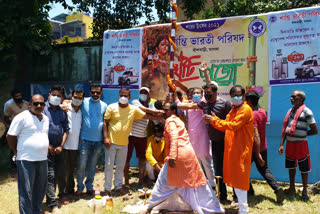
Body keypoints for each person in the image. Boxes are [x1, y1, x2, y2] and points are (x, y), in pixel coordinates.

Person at [144, 101, 224, 214]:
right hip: (188, 155)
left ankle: (150, 207)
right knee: (191, 183)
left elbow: (174, 137)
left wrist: (172, 156)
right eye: (164, 109)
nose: (164, 111)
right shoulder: (178, 120)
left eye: (166, 110)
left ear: (173, 111)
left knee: (164, 182)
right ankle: (211, 207)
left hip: (177, 155)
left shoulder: (170, 121)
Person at [203, 85, 254, 214]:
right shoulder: (233, 110)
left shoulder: (245, 109)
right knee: (236, 179)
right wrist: (215, 120)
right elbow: (225, 124)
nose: (236, 98)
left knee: (240, 179)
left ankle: (243, 209)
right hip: (232, 150)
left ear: (243, 96)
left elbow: (233, 125)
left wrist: (214, 120)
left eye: (238, 95)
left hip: (241, 150)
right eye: (233, 96)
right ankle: (241, 207)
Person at [103, 88, 162, 196]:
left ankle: (118, 186)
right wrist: (106, 138)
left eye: (125, 96)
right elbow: (105, 122)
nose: (123, 97)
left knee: (120, 166)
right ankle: (107, 189)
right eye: (121, 95)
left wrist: (163, 118)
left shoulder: (133, 109)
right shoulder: (112, 107)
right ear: (118, 96)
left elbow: (147, 116)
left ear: (129, 97)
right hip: (113, 142)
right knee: (109, 166)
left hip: (125, 142)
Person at [6, 94, 49, 214]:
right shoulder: (22, 117)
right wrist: (16, 151)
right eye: (36, 103)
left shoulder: (45, 118)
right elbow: (10, 136)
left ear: (44, 105)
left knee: (40, 190)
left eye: (41, 103)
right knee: (26, 192)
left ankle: (36, 211)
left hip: (42, 159)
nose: (39, 105)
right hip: (26, 160)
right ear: (30, 105)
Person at [245, 90, 285, 203]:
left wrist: (257, 154)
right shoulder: (262, 112)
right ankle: (277, 188)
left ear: (249, 101)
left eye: (245, 100)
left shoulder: (251, 115)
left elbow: (255, 135)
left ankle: (249, 190)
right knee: (264, 169)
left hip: (253, 148)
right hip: (263, 146)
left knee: (243, 169)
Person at [279, 90, 318, 201]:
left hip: (301, 145)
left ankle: (305, 191)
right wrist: (282, 144)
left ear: (301, 99)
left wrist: (301, 134)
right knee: (291, 167)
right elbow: (286, 130)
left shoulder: (307, 112)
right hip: (290, 145)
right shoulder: (290, 111)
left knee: (303, 169)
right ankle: (292, 188)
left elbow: (315, 130)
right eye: (291, 97)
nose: (291, 99)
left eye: (294, 97)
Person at [177, 87, 216, 188]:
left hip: (203, 138)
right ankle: (198, 186)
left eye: (198, 93)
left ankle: (212, 186)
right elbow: (181, 107)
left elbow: (209, 84)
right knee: (195, 163)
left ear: (202, 95)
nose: (196, 95)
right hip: (192, 139)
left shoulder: (204, 103)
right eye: (194, 93)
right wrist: (175, 98)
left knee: (207, 163)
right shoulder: (188, 105)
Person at [124, 87, 162, 187]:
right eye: (141, 92)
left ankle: (141, 180)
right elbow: (144, 111)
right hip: (131, 135)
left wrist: (163, 118)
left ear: (149, 95)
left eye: (145, 93)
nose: (143, 94)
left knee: (142, 159)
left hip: (142, 136)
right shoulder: (135, 102)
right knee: (126, 159)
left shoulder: (151, 106)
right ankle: (126, 182)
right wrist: (159, 113)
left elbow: (156, 120)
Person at [75, 83, 108, 196]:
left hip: (98, 141)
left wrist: (105, 137)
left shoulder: (104, 105)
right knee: (81, 165)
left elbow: (105, 123)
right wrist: (65, 103)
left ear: (101, 93)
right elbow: (70, 102)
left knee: (92, 165)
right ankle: (79, 187)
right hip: (84, 139)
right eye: (93, 92)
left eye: (97, 92)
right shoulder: (83, 102)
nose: (95, 94)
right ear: (89, 92)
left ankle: (89, 187)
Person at [43, 85, 69, 214]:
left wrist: (61, 146)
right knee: (50, 175)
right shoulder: (42, 109)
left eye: (59, 96)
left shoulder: (62, 111)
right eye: (54, 95)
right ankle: (53, 204)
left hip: (59, 149)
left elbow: (66, 130)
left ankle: (49, 199)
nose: (56, 97)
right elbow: (38, 129)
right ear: (49, 95)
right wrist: (46, 145)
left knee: (56, 174)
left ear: (62, 98)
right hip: (45, 149)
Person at [58, 89, 84, 203]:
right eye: (75, 97)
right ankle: (62, 193)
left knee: (71, 169)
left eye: (80, 98)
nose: (77, 99)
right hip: (64, 145)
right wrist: (64, 102)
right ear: (71, 97)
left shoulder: (82, 111)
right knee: (63, 170)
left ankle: (70, 190)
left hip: (76, 145)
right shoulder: (65, 108)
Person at [4, 89, 29, 177]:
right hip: (15, 130)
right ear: (13, 97)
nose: (19, 97)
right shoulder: (9, 105)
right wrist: (11, 125)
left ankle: (25, 166)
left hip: (26, 130)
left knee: (25, 146)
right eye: (17, 96)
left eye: (20, 96)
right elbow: (6, 117)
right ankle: (14, 169)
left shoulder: (27, 104)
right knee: (13, 148)